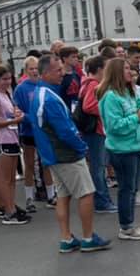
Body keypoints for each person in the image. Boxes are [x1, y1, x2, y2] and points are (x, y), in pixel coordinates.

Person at [29, 55, 111, 253]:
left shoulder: (40, 94)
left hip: (52, 153)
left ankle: (66, 238)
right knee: (86, 192)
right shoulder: (49, 98)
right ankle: (88, 237)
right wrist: (82, 147)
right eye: (58, 70)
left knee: (63, 195)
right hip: (65, 153)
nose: (62, 73)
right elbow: (65, 130)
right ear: (46, 73)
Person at [98, 58, 140, 241]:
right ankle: (126, 227)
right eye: (127, 69)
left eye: (131, 68)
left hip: (136, 146)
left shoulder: (130, 92)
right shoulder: (110, 97)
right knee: (127, 189)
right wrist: (137, 118)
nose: (131, 72)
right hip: (122, 150)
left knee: (133, 188)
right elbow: (114, 126)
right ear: (116, 73)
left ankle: (130, 224)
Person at [0, 64, 30, 225]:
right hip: (3, 139)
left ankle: (12, 206)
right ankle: (8, 211)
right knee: (5, 178)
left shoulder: (7, 94)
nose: (7, 81)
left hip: (12, 137)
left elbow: (10, 113)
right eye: (3, 79)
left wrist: (16, 114)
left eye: (9, 78)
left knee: (11, 178)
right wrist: (14, 120)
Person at [14, 56, 53, 212]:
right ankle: (29, 198)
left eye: (36, 68)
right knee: (29, 165)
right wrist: (29, 119)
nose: (35, 71)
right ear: (26, 70)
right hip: (29, 131)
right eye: (31, 68)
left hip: (44, 131)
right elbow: (19, 112)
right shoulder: (21, 89)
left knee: (47, 163)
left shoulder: (44, 86)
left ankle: (51, 195)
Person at [79, 55, 116, 214]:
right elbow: (88, 106)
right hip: (95, 131)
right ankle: (101, 201)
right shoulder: (94, 85)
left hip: (94, 130)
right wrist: (106, 110)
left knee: (97, 166)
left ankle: (104, 199)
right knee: (97, 167)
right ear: (100, 69)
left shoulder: (90, 84)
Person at [58, 46, 82, 111]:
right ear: (65, 59)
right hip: (65, 108)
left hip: (76, 109)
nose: (76, 59)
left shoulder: (76, 74)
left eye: (77, 57)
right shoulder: (60, 76)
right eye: (73, 57)